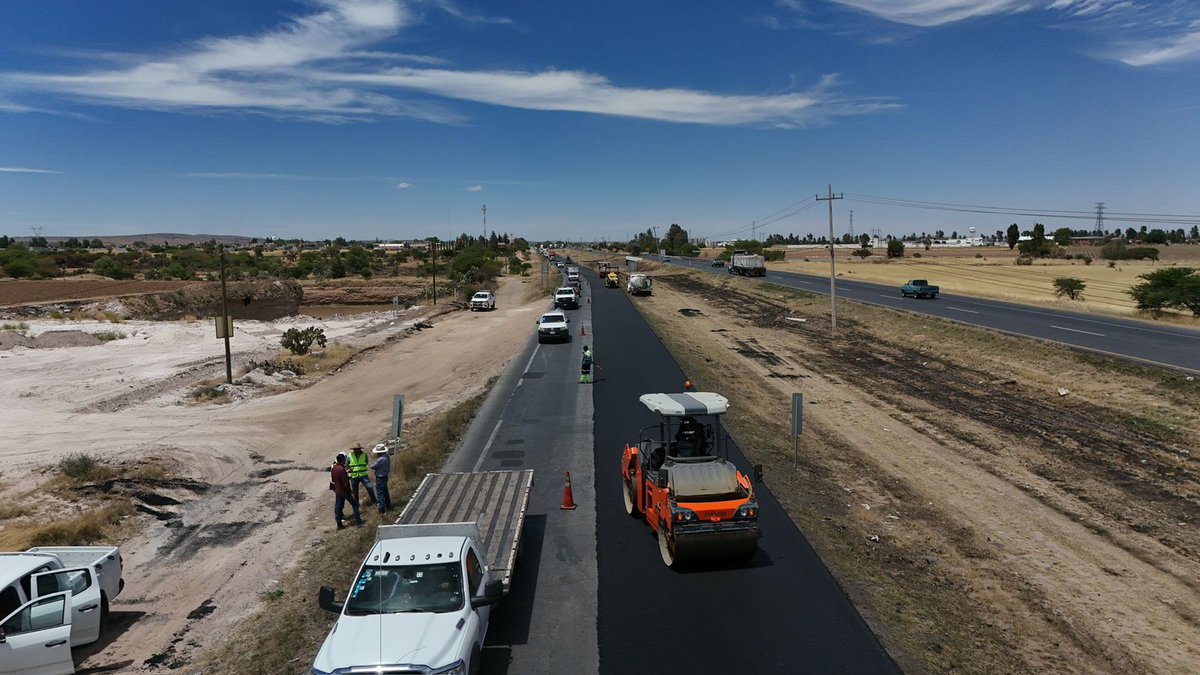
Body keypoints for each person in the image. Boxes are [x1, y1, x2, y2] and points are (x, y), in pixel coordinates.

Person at [331, 453, 363, 529]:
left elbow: (333, 479)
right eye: (344, 459)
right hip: (344, 491)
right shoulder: (342, 469)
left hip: (338, 491)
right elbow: (345, 483)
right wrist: (350, 492)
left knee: (339, 507)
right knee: (355, 505)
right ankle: (358, 523)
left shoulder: (334, 468)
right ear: (342, 460)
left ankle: (339, 525)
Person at [371, 444, 391, 515]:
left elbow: (373, 466)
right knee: (385, 490)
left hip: (380, 477)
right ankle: (388, 504)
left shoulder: (380, 459)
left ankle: (381, 509)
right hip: (385, 476)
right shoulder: (386, 456)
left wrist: (372, 466)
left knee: (380, 493)